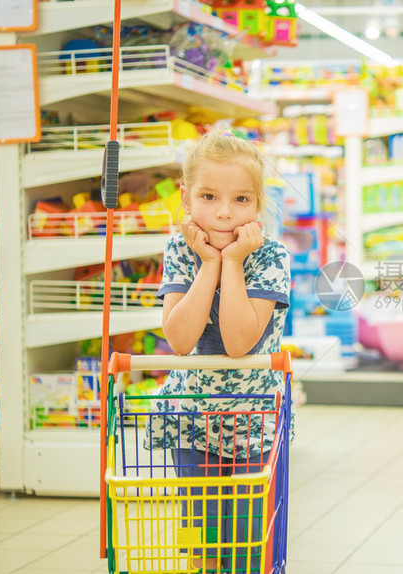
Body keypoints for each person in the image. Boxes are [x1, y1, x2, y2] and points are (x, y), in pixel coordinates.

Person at [147, 130, 291, 572]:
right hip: (193, 417)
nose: (225, 213)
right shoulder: (179, 250)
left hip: (254, 421)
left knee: (248, 545)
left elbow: (237, 341)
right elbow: (180, 339)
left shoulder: (270, 257)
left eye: (241, 200)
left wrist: (230, 261)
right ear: (186, 199)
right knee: (201, 540)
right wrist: (208, 262)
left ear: (259, 205)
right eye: (209, 196)